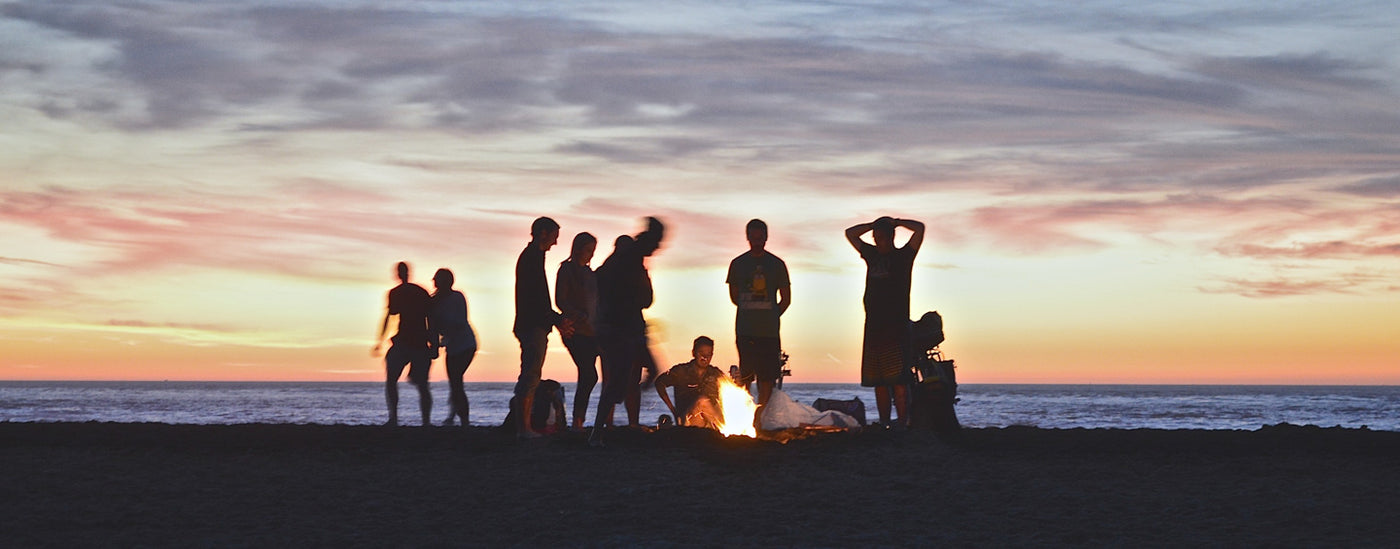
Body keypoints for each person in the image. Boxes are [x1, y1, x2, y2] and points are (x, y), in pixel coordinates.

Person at [590, 217, 665, 446]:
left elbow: (644, 298)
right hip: (620, 329)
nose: (659, 248)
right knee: (619, 382)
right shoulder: (629, 259)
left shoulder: (628, 261)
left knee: (647, 372)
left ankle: (605, 423)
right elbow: (644, 298)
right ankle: (597, 432)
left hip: (626, 328)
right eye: (657, 242)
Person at [845, 216, 925, 428]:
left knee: (899, 380)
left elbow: (920, 229)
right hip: (873, 326)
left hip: (896, 326)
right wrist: (872, 225)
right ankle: (884, 422)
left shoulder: (904, 256)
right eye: (875, 237)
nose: (876, 240)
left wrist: (897, 222)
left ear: (890, 237)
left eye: (880, 237)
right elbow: (850, 233)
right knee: (878, 381)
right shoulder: (871, 255)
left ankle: (902, 421)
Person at [513, 217, 573, 438]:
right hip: (532, 324)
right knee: (530, 375)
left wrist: (554, 320)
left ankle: (524, 427)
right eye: (554, 237)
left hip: (534, 323)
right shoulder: (531, 259)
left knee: (531, 374)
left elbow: (539, 299)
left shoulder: (533, 258)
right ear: (543, 233)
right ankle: (524, 429)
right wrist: (555, 320)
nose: (555, 243)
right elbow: (536, 298)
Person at [726, 219, 790, 409]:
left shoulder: (777, 264)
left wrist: (771, 315)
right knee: (745, 376)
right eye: (753, 237)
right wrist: (752, 308)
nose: (757, 241)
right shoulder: (737, 264)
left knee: (767, 378)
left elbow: (786, 299)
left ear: (766, 237)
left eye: (760, 237)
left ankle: (761, 418)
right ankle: (745, 415)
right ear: (747, 237)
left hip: (768, 332)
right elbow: (734, 296)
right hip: (745, 330)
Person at [371, 261, 433, 426]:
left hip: (414, 342)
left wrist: (433, 343)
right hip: (408, 341)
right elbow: (391, 316)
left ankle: (404, 419)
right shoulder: (414, 292)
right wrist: (380, 340)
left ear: (399, 274)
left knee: (416, 384)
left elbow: (430, 318)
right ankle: (397, 418)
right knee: (401, 381)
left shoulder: (407, 292)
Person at [556, 232, 599, 431]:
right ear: (579, 248)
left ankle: (579, 421)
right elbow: (560, 300)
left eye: (593, 251)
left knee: (589, 374)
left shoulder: (591, 275)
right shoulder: (566, 270)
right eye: (588, 250)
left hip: (592, 331)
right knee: (589, 374)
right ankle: (577, 421)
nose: (590, 255)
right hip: (574, 329)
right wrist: (576, 314)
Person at [429, 268, 477, 426]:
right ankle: (454, 416)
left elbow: (460, 321)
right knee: (455, 382)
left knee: (456, 381)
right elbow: (433, 327)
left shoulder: (457, 297)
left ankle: (463, 420)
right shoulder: (434, 302)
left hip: (466, 344)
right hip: (452, 346)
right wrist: (435, 345)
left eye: (436, 279)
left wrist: (442, 339)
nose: (434, 282)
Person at [654, 336, 725, 429]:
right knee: (702, 402)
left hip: (711, 421)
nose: (705, 357)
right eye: (701, 353)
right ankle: (725, 430)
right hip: (689, 420)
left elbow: (732, 391)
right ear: (694, 353)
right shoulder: (681, 371)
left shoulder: (716, 373)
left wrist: (737, 380)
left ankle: (724, 429)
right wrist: (673, 410)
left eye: (709, 354)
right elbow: (659, 383)